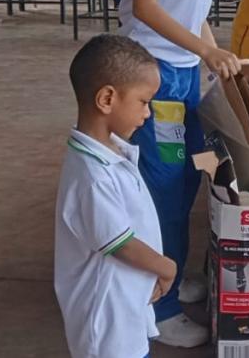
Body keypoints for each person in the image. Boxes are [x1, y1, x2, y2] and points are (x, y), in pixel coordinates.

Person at [121, 0, 249, 348]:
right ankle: (163, 304)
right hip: (153, 77)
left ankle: (172, 273)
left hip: (183, 76)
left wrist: (214, 57)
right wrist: (203, 53)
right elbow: (146, 7)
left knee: (193, 175)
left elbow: (193, 12)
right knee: (164, 187)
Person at [56, 34, 176, 358]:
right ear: (107, 99)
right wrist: (166, 268)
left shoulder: (109, 152)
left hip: (125, 306)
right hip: (107, 324)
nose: (148, 113)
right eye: (143, 101)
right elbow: (120, 243)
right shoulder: (93, 178)